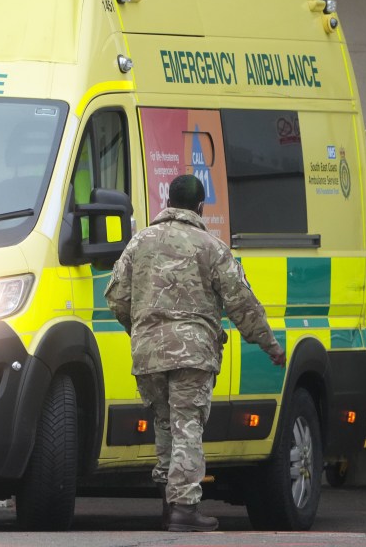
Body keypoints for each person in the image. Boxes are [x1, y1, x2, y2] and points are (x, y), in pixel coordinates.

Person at [104, 174, 285, 532]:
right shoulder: (210, 247)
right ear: (201, 207)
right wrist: (269, 344)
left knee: (164, 426)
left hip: (149, 353)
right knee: (187, 426)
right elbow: (241, 302)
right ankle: (185, 509)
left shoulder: (139, 244)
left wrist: (142, 329)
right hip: (193, 352)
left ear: (167, 201)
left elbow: (116, 297)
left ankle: (168, 506)